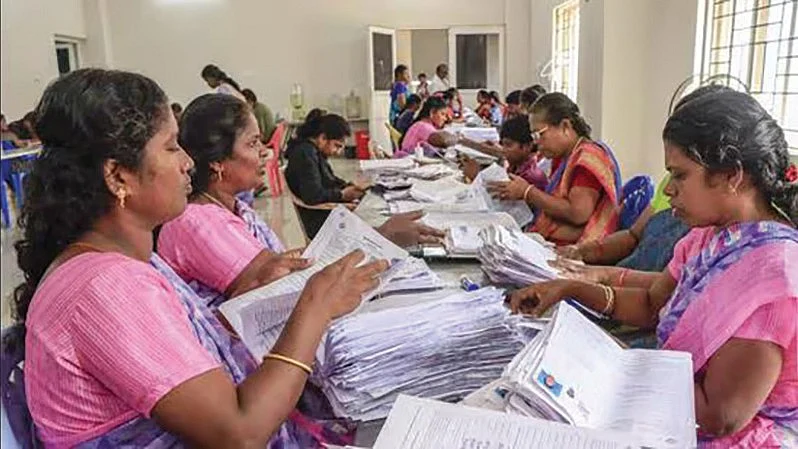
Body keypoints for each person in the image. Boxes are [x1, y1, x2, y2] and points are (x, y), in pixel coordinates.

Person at [8, 68, 386, 448]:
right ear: (118, 176)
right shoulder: (106, 286)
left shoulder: (124, 261)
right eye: (171, 147)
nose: (189, 162)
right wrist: (315, 307)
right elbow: (239, 433)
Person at [509, 90, 798, 447]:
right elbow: (652, 303)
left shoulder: (772, 277)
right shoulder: (710, 237)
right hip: (672, 402)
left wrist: (614, 365)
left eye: (680, 175)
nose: (670, 190)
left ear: (731, 176)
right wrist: (568, 288)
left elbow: (720, 416)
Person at [158, 94, 304, 308]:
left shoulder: (237, 209)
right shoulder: (196, 222)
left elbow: (279, 265)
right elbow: (273, 284)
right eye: (253, 143)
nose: (264, 151)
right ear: (217, 162)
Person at [284, 108, 444, 242]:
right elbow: (313, 195)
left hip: (326, 213)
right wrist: (342, 195)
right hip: (319, 220)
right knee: (381, 223)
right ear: (322, 138)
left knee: (379, 213)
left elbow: (329, 179)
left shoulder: (313, 151)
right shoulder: (305, 154)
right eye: (336, 146)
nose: (338, 152)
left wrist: (349, 186)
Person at [489, 93, 621, 245]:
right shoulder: (565, 157)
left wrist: (527, 192)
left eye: (539, 134)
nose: (537, 143)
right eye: (533, 136)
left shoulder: (587, 158)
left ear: (565, 126)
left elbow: (578, 213)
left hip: (578, 250)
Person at [462, 115, 548, 191]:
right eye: (503, 145)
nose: (503, 150)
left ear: (527, 146)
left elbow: (505, 204)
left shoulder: (532, 176)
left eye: (508, 145)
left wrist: (477, 177)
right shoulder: (515, 166)